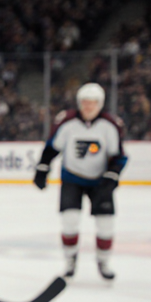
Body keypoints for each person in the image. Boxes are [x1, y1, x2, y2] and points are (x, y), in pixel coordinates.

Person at [33, 82, 126, 280]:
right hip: (72, 178)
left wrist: (112, 176)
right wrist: (42, 169)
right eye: (85, 102)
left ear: (100, 104)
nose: (88, 106)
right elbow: (52, 148)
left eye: (92, 103)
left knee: (106, 223)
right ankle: (70, 260)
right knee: (70, 221)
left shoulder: (110, 125)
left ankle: (104, 261)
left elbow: (118, 155)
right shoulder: (67, 122)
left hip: (100, 181)